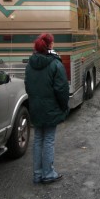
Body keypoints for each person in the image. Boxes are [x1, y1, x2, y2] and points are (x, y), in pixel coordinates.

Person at [24, 33, 69, 184]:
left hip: (36, 107)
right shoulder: (55, 64)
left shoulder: (30, 65)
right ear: (49, 46)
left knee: (38, 139)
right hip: (51, 108)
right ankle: (48, 173)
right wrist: (64, 107)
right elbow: (61, 89)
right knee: (48, 140)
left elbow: (28, 86)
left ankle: (37, 174)